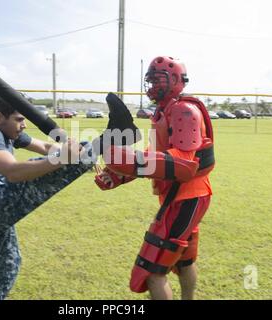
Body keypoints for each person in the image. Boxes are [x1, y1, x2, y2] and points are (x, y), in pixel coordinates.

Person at [94, 56, 215, 300]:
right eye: (150, 80)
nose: (152, 85)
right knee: (183, 262)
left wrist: (126, 160)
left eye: (158, 79)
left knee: (151, 271)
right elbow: (156, 157)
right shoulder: (163, 112)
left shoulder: (184, 110)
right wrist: (119, 175)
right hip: (183, 196)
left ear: (176, 80)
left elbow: (184, 162)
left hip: (186, 196)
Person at [0, 93, 92, 300]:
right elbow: (13, 172)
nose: (24, 125)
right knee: (42, 168)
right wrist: (66, 158)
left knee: (6, 272)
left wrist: (70, 149)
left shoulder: (8, 133)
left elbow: (45, 147)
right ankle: (98, 149)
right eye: (19, 119)